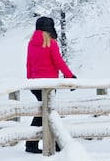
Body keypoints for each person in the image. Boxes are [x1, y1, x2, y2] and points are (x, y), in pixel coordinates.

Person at [25, 16, 76, 153]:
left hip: (35, 84)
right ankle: (41, 143)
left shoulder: (31, 43)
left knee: (43, 112)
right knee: (47, 112)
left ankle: (34, 143)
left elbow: (29, 64)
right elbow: (59, 62)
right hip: (48, 84)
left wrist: (30, 81)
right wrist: (70, 76)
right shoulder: (51, 43)